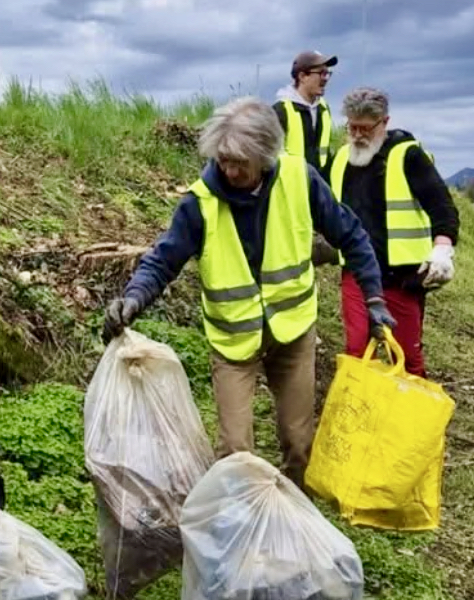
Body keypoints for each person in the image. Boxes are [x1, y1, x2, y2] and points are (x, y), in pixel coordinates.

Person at [102, 96, 386, 486]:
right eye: (224, 160)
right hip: (233, 343)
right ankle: (239, 530)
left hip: (293, 331)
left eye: (241, 163)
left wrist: (374, 299)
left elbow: (352, 236)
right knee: (235, 450)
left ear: (265, 158)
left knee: (299, 444)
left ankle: (293, 520)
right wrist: (133, 297)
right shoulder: (200, 202)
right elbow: (163, 259)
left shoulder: (298, 179)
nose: (230, 170)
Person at [327, 87, 459, 378]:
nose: (358, 134)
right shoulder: (339, 161)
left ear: (383, 123)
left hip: (402, 278)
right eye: (352, 127)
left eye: (365, 128)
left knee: (408, 356)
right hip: (357, 274)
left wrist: (442, 249)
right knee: (357, 350)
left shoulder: (408, 156)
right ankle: (358, 416)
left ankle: (410, 418)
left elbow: (442, 208)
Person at [273, 50, 337, 178]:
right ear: (302, 77)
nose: (325, 79)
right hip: (293, 185)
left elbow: (325, 151)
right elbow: (273, 156)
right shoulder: (281, 110)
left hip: (320, 184)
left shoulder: (323, 108)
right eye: (321, 73)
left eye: (327, 73)